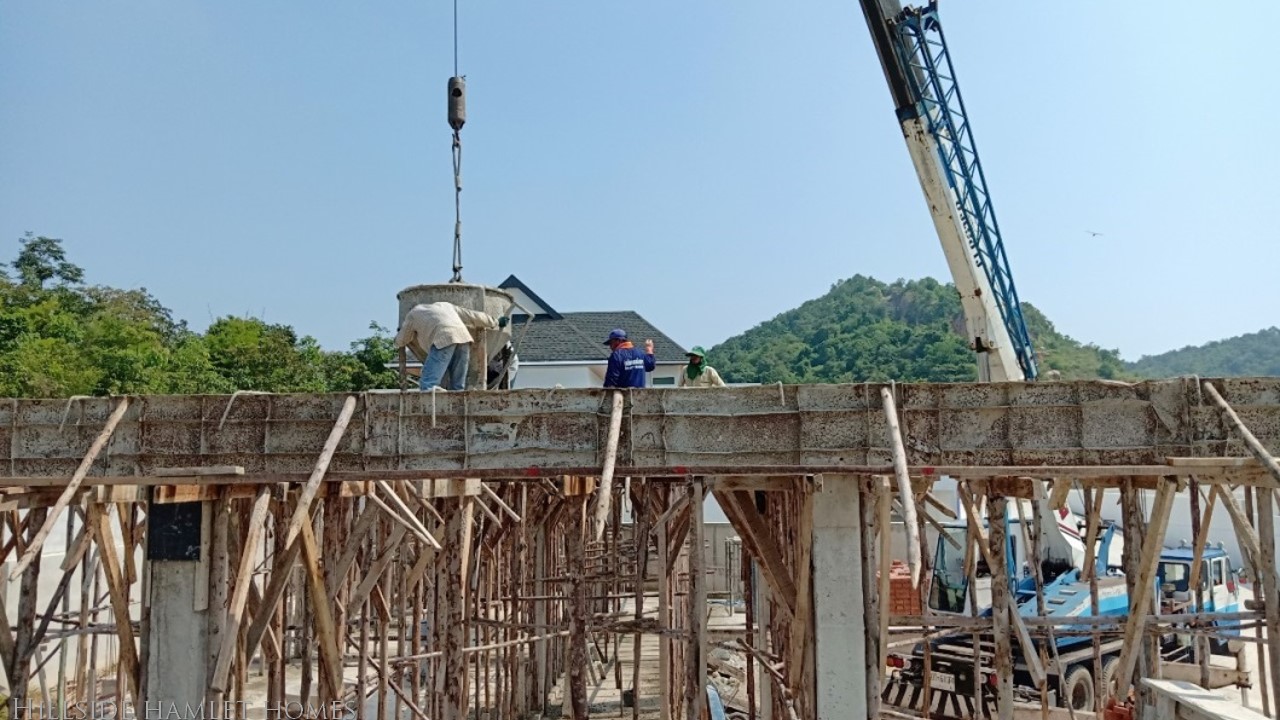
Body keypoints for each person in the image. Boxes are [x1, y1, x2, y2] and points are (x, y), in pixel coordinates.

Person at [394, 301, 507, 391]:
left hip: (443, 338)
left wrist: (396, 340)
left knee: (428, 384)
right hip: (463, 338)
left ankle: (430, 406)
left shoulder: (412, 314)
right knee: (457, 387)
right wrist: (496, 322)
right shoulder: (445, 306)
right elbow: (473, 316)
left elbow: (402, 339)